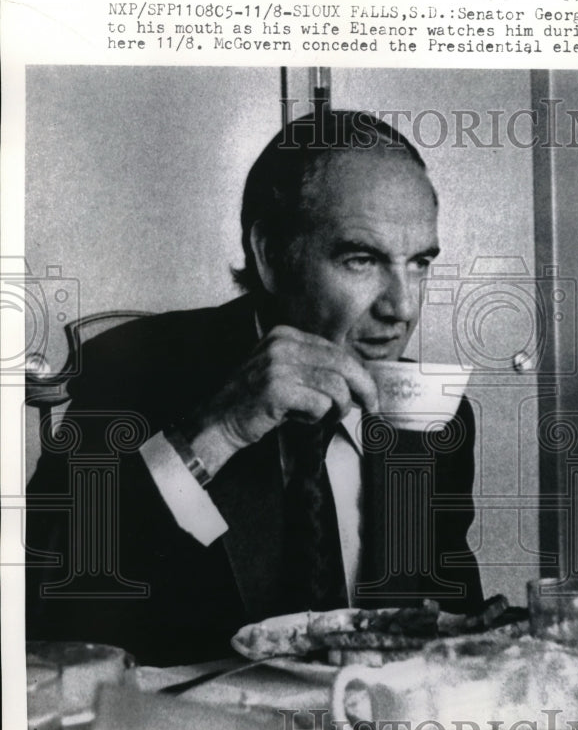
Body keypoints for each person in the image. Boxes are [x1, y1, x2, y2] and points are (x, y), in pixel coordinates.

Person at [26, 109, 484, 665]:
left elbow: (461, 632)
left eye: (419, 264)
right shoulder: (133, 367)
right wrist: (218, 430)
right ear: (270, 255)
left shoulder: (437, 421)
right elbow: (39, 606)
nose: (403, 308)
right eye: (362, 260)